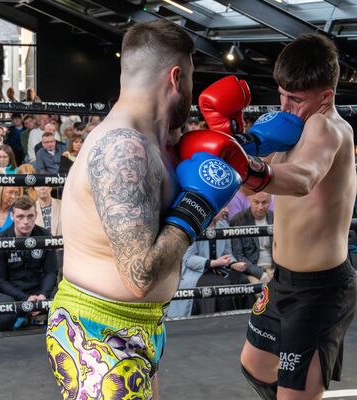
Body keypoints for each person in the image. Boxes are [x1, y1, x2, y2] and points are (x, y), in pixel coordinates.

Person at [46, 20, 247, 400]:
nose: (193, 89)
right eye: (191, 77)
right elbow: (140, 275)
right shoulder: (124, 148)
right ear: (176, 78)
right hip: (99, 333)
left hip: (142, 326)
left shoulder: (162, 140)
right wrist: (197, 204)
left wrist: (241, 141)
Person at [237, 34, 357, 400]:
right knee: (254, 363)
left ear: (326, 97)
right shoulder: (291, 125)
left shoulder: (328, 128)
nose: (285, 105)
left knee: (295, 393)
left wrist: (248, 163)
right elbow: (247, 189)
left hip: (319, 290)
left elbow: (303, 179)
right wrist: (238, 147)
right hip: (283, 279)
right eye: (282, 94)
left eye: (296, 99)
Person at [168, 206, 250, 318]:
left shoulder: (223, 225)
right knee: (222, 286)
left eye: (227, 206)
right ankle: (223, 324)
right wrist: (214, 263)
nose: (226, 210)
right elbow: (188, 259)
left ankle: (244, 322)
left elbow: (227, 253)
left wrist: (234, 264)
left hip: (219, 269)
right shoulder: (192, 227)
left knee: (242, 280)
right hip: (196, 272)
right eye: (223, 206)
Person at [0, 196, 58, 331]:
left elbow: (51, 272)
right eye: (20, 217)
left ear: (36, 216)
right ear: (12, 216)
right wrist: (25, 298)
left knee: (63, 304)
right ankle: (1, 347)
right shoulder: (0, 240)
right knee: (5, 316)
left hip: (39, 290)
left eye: (30, 216)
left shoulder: (45, 236)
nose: (25, 222)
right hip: (11, 292)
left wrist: (43, 295)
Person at [230, 192, 274, 284]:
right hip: (251, 270)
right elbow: (238, 255)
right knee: (263, 291)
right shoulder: (238, 221)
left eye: (264, 202)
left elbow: (282, 248)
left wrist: (275, 270)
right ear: (249, 200)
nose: (260, 207)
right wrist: (261, 273)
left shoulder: (275, 218)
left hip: (274, 268)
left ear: (270, 201)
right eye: (256, 202)